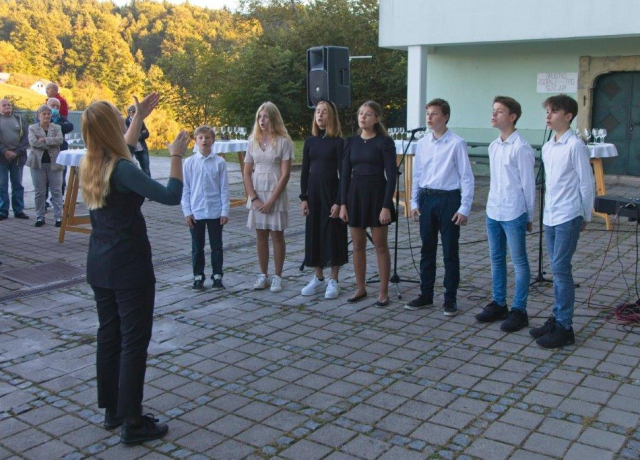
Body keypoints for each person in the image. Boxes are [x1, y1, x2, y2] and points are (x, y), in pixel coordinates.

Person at [80, 92, 189, 444]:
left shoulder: (91, 161)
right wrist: (175, 157)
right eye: (121, 118)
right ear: (114, 126)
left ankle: (112, 410)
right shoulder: (123, 169)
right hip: (129, 266)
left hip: (99, 264)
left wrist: (138, 117)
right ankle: (133, 421)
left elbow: (122, 146)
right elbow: (171, 195)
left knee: (109, 336)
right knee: (133, 342)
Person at [530, 94, 594, 348]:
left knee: (561, 269)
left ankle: (565, 327)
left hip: (569, 215)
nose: (548, 115)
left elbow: (586, 184)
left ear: (568, 116)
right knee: (556, 270)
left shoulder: (575, 146)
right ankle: (556, 318)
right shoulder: (548, 147)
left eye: (553, 111)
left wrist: (585, 215)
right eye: (547, 110)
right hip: (551, 215)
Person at [406, 98, 474, 316]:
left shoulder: (456, 143)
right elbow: (417, 175)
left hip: (448, 200)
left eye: (434, 113)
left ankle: (450, 298)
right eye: (427, 113)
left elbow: (466, 177)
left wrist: (464, 208)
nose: (429, 117)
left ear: (445, 117)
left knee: (449, 250)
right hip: (427, 198)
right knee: (427, 249)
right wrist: (414, 202)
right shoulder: (423, 143)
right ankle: (426, 294)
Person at [475, 96, 535, 332]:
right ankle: (499, 302)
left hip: (513, 212)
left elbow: (529, 185)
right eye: (493, 111)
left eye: (500, 111)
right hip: (494, 210)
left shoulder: (521, 147)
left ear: (512, 117)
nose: (494, 115)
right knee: (496, 258)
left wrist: (529, 216)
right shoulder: (493, 146)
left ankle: (519, 309)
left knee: (519, 261)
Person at [339, 101, 397, 306]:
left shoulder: (384, 142)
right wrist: (343, 204)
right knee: (357, 245)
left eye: (368, 114)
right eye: (361, 113)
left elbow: (391, 176)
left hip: (377, 196)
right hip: (355, 196)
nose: (363, 117)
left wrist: (386, 206)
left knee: (380, 246)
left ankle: (383, 291)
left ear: (377, 119)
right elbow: (344, 175)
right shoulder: (351, 142)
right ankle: (361, 288)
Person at [243, 101, 293, 293]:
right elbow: (247, 172)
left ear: (273, 118)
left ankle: (278, 276)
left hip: (275, 190)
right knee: (260, 234)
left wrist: (271, 200)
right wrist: (254, 198)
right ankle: (262, 274)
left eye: (265, 116)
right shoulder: (252, 140)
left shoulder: (283, 142)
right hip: (257, 190)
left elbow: (286, 174)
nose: (262, 120)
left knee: (277, 235)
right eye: (259, 116)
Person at [300, 101, 348, 299]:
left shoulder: (338, 142)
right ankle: (318, 277)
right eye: (317, 112)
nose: (320, 115)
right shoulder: (309, 142)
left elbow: (343, 174)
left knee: (333, 233)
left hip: (331, 192)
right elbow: (304, 172)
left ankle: (333, 280)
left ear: (332, 116)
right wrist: (304, 198)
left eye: (324, 112)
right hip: (313, 194)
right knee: (315, 233)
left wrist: (339, 201)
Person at [182, 125, 230, 291]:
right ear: (196, 140)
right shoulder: (189, 163)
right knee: (197, 247)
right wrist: (187, 212)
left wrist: (225, 211)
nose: (204, 140)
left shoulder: (219, 162)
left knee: (216, 246)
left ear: (213, 140)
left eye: (207, 137)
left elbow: (224, 188)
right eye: (201, 137)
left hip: (215, 211)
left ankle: (217, 275)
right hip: (197, 212)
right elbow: (186, 189)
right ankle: (198, 276)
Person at [27, 105, 63, 227]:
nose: (46, 116)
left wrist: (45, 140)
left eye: (48, 114)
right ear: (38, 116)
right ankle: (40, 217)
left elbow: (60, 141)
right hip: (37, 163)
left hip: (54, 163)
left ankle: (58, 217)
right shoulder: (32, 127)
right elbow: (33, 142)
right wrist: (49, 142)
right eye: (44, 114)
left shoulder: (57, 127)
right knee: (39, 191)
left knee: (57, 191)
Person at [0, 98, 29, 220]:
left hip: (17, 157)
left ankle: (18, 210)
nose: (7, 107)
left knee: (17, 184)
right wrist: (5, 151)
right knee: (2, 185)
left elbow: (25, 138)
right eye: (4, 105)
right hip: (1, 158)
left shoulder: (20, 119)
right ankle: (3, 211)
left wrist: (16, 152)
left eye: (9, 105)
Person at [47, 97, 74, 196]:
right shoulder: (41, 117)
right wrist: (59, 127)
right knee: (46, 179)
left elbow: (70, 126)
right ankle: (44, 201)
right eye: (52, 106)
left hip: (60, 151)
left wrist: (54, 125)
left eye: (57, 106)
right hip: (47, 153)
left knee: (61, 178)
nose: (55, 108)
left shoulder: (62, 118)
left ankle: (59, 199)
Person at [125, 105, 151, 176]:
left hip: (142, 149)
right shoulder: (125, 122)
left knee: (146, 170)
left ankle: (148, 186)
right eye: (133, 112)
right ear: (129, 113)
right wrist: (139, 134)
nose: (135, 113)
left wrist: (137, 135)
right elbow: (126, 135)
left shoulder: (140, 121)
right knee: (132, 171)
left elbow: (147, 134)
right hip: (131, 150)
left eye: (136, 112)